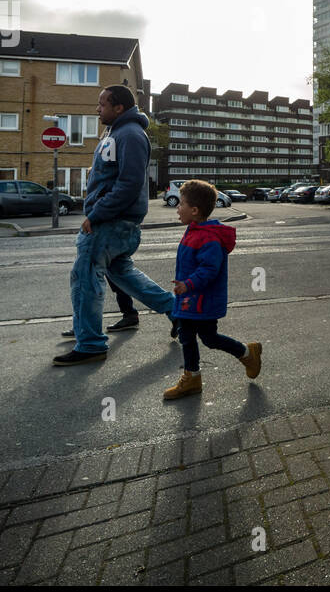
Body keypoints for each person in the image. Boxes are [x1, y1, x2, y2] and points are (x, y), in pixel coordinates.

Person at [55, 85, 175, 366]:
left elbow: (129, 184)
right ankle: (176, 311)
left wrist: (95, 214)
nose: (97, 109)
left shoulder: (130, 134)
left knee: (84, 276)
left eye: (102, 104)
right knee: (123, 274)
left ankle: (91, 343)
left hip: (110, 222)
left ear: (118, 107)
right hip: (117, 222)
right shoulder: (116, 132)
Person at [163, 179, 262, 399]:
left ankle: (247, 353)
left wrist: (187, 284)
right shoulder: (194, 229)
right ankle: (192, 378)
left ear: (195, 210)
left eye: (181, 204)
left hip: (202, 300)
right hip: (189, 299)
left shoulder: (208, 238)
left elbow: (209, 270)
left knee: (209, 338)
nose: (177, 208)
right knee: (186, 337)